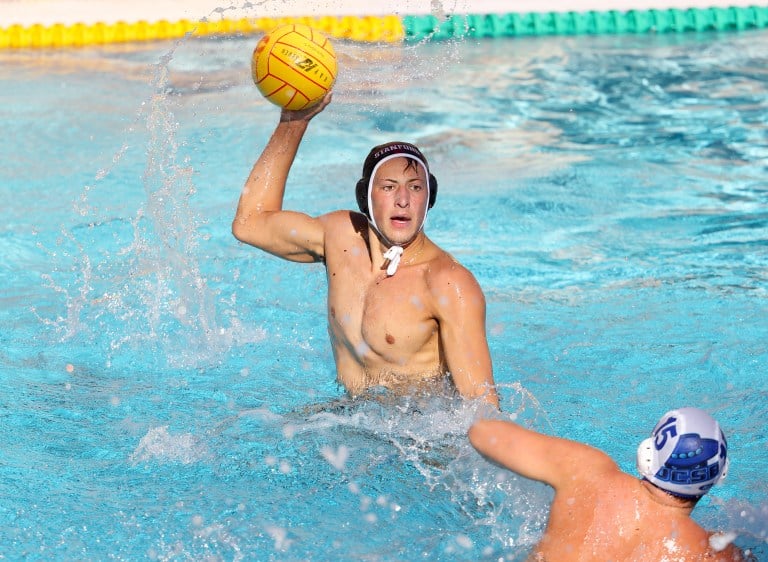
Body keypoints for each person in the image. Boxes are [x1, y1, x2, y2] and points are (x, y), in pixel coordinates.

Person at [232, 93, 499, 408]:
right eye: (388, 187)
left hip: (417, 438)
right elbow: (249, 223)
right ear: (364, 197)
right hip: (347, 416)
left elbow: (482, 410)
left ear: (430, 197)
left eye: (415, 187)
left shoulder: (447, 283)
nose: (403, 200)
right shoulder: (341, 238)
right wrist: (293, 123)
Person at [469, 406, 751, 561]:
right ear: (718, 477)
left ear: (646, 455)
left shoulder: (586, 470)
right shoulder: (710, 553)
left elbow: (483, 432)